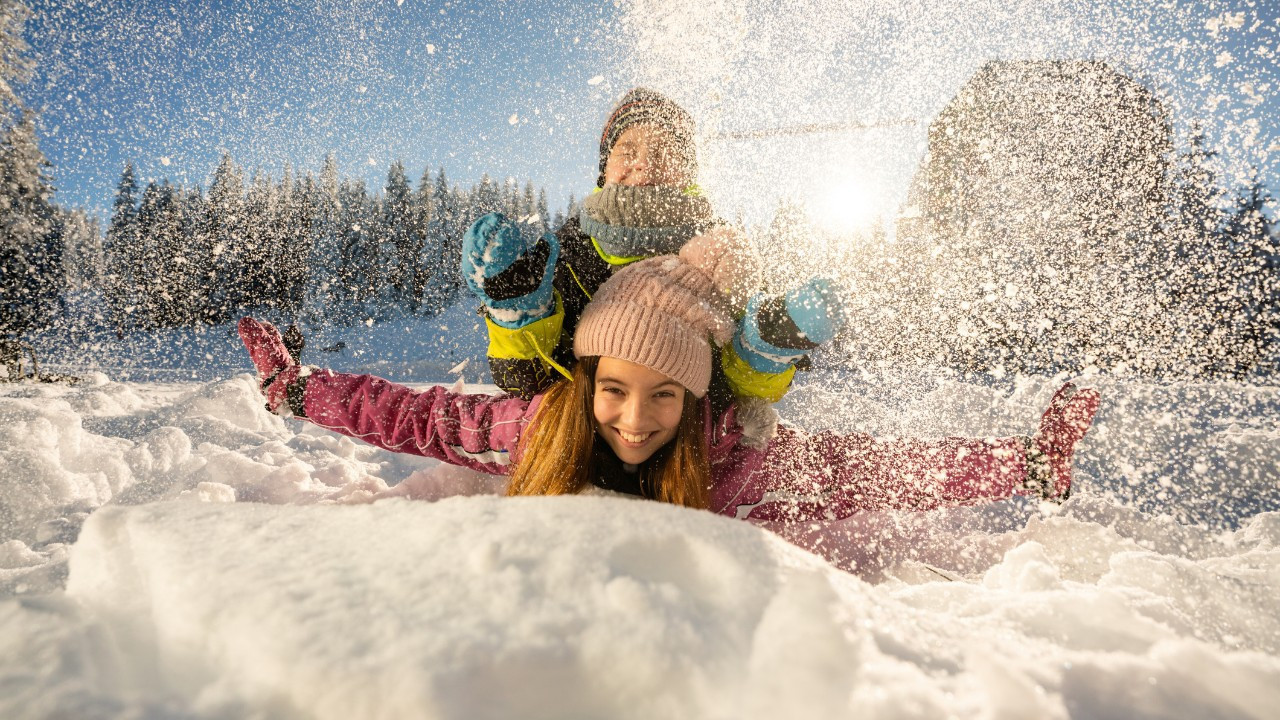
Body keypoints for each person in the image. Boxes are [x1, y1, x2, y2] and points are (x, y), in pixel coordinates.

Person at [238, 252, 1100, 522]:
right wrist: (295, 390)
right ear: (588, 380)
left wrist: (1024, 463)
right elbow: (417, 417)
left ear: (696, 401)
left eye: (664, 395)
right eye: (614, 387)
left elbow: (879, 472)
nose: (633, 418)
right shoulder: (541, 427)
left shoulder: (740, 458)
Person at [462, 87, 844, 413]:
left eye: (664, 152)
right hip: (579, 442)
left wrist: (765, 350)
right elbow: (526, 384)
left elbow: (742, 400)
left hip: (689, 449)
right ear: (605, 169)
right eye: (627, 150)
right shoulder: (566, 252)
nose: (644, 164)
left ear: (688, 173)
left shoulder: (722, 254)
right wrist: (518, 316)